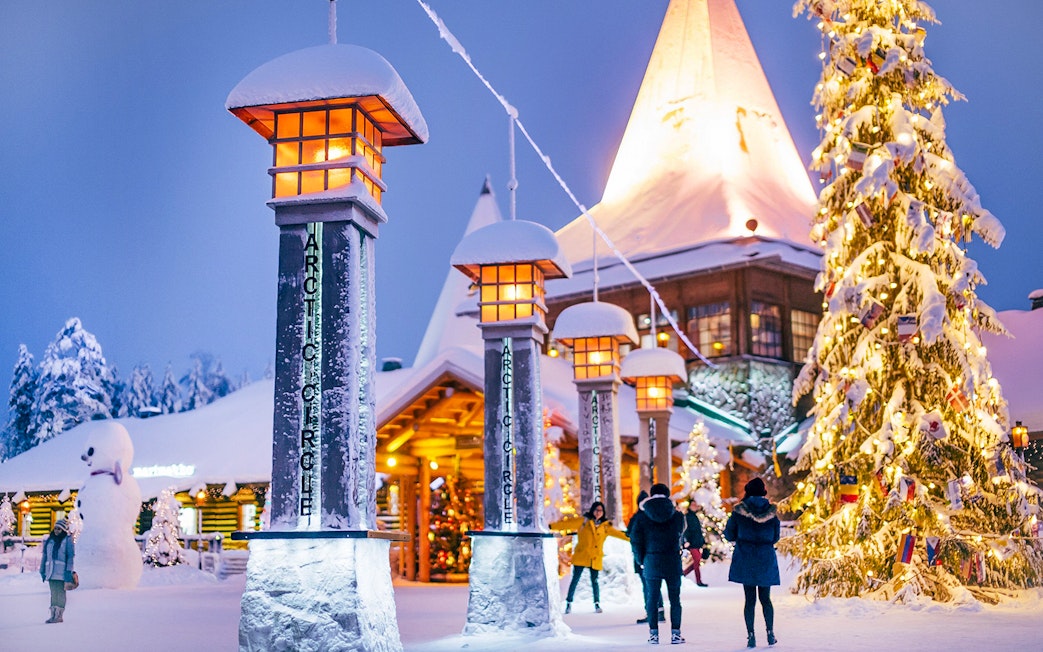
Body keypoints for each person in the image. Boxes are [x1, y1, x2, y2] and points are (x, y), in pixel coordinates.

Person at [725, 477, 781, 648]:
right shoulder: (772, 513)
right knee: (766, 598)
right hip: (765, 557)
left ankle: (751, 636)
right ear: (763, 492)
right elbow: (775, 537)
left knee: (749, 600)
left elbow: (729, 534)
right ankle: (770, 633)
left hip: (746, 556)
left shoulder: (738, 512)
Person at [628, 483, 686, 645]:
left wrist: (641, 560)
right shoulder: (677, 515)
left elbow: (635, 540)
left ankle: (654, 635)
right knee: (675, 599)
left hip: (651, 560)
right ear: (667, 495)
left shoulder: (642, 516)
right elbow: (681, 534)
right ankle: (676, 634)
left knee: (652, 598)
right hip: (672, 560)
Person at [550, 500, 629, 614]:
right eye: (596, 510)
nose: (598, 513)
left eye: (601, 510)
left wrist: (633, 538)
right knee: (575, 579)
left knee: (595, 581)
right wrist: (551, 526)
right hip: (582, 555)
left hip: (595, 557)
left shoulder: (605, 526)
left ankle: (597, 603)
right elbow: (567, 524)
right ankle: (569, 602)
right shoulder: (584, 521)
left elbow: (619, 534)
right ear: (592, 510)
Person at [626, 490, 664, 624]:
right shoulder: (653, 515)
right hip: (654, 555)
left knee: (648, 586)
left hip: (643, 556)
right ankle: (659, 611)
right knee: (654, 585)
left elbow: (630, 534)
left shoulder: (638, 517)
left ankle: (652, 612)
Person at [39, 518, 76, 624]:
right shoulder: (50, 540)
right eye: (55, 528)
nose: (56, 531)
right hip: (50, 571)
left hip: (61, 572)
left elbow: (70, 557)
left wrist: (68, 571)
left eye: (59, 529)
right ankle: (53, 615)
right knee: (53, 593)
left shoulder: (67, 540)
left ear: (63, 530)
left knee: (60, 593)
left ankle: (59, 615)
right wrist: (42, 570)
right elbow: (45, 556)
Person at [682, 502, 709, 587]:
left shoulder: (694, 516)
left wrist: (702, 542)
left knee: (696, 562)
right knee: (697, 561)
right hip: (692, 543)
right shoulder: (688, 516)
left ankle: (683, 574)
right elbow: (686, 529)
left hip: (697, 542)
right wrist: (686, 541)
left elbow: (698, 531)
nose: (695, 506)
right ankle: (698, 580)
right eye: (693, 505)